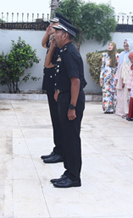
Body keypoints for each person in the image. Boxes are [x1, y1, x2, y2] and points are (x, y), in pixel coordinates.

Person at [50, 19, 86, 188]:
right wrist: (59, 90)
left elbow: (75, 81)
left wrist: (72, 106)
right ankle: (68, 172)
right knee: (67, 136)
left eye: (57, 32)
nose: (54, 35)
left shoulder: (70, 52)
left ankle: (74, 177)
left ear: (65, 35)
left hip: (72, 99)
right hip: (66, 96)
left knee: (72, 138)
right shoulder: (64, 51)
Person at [40, 17, 63, 164]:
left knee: (58, 119)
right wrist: (48, 33)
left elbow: (50, 65)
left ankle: (61, 151)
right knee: (55, 119)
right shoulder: (52, 42)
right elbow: (43, 44)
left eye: (54, 25)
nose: (51, 27)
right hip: (50, 83)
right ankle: (57, 148)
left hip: (56, 84)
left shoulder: (60, 46)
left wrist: (57, 88)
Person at [115, 39, 133, 119]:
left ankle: (129, 113)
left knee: (129, 97)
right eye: (125, 45)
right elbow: (121, 67)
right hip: (123, 77)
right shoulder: (124, 55)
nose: (126, 47)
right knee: (123, 96)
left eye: (128, 45)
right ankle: (123, 112)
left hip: (130, 79)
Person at [100, 41, 118, 114]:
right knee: (106, 92)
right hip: (106, 77)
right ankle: (106, 108)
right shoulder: (105, 55)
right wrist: (101, 77)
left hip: (114, 77)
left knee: (113, 92)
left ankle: (113, 108)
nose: (109, 46)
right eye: (109, 45)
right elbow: (103, 67)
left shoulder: (117, 56)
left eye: (111, 45)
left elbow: (118, 68)